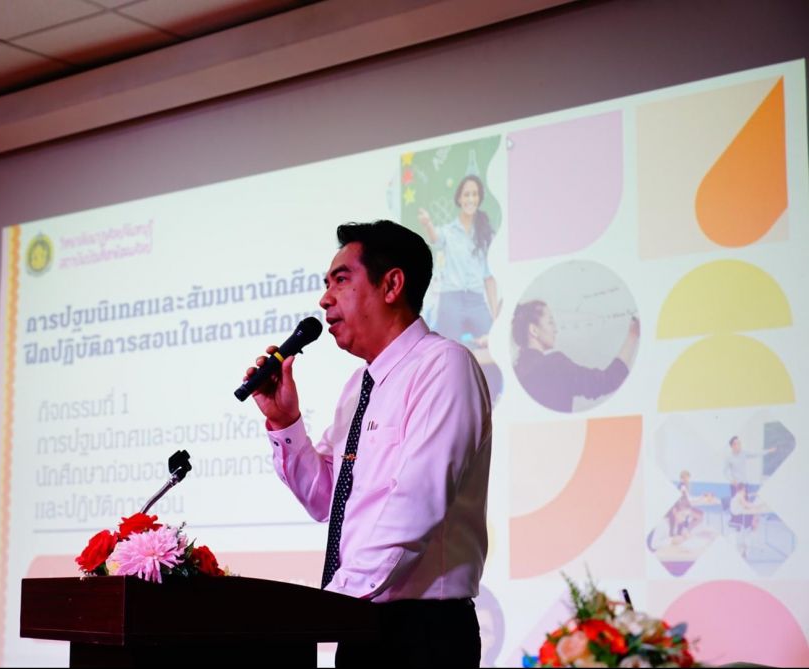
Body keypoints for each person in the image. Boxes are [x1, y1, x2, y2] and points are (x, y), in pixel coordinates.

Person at [243, 220, 492, 667]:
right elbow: (326, 498)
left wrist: (332, 602)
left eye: (341, 280)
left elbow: (417, 503)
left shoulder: (443, 366)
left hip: (424, 632)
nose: (325, 299)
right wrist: (284, 421)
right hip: (361, 624)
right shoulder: (360, 385)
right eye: (326, 285)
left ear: (392, 285)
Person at [511, 300, 639, 412]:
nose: (556, 330)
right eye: (550, 322)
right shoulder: (555, 365)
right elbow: (607, 381)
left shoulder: (515, 373)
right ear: (534, 330)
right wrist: (633, 335)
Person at [418, 175, 500, 345]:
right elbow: (435, 238)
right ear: (459, 199)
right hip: (451, 299)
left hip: (476, 300)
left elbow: (489, 276)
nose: (470, 199)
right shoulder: (449, 231)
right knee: (449, 349)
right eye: (466, 194)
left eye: (475, 194)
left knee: (491, 344)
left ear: (479, 198)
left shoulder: (486, 233)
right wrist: (427, 224)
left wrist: (495, 315)